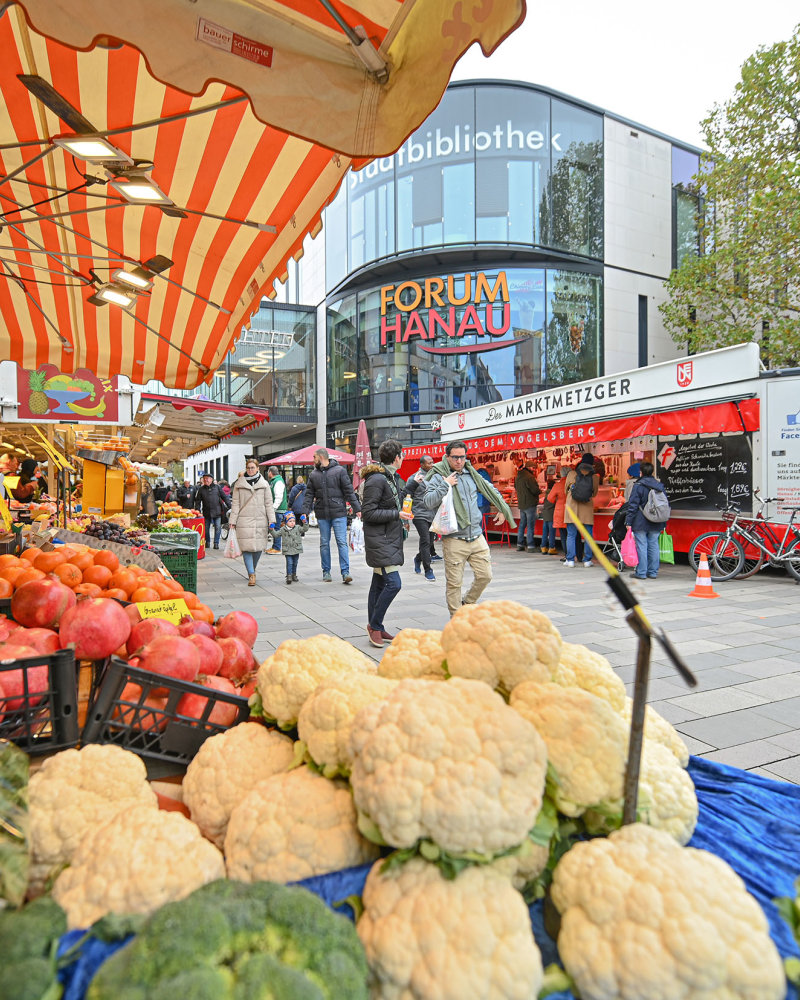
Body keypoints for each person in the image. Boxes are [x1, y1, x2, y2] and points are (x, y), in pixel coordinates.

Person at [423, 440, 515, 617]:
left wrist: (502, 508)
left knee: (485, 576)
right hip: (455, 538)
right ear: (447, 456)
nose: (459, 461)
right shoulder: (438, 475)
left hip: (476, 536)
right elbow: (428, 502)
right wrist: (446, 484)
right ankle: (456, 620)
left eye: (462, 457)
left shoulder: (471, 473)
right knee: (454, 584)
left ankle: (467, 603)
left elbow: (490, 490)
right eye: (455, 457)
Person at [360, 440, 413, 648]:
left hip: (387, 537)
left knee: (379, 582)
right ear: (397, 457)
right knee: (394, 583)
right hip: (380, 539)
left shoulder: (390, 477)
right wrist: (396, 514)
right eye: (402, 455)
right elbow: (368, 513)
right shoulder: (378, 479)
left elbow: (394, 501)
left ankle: (378, 626)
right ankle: (374, 625)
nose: (403, 458)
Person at [302, 448, 361, 584]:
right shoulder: (314, 474)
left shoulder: (340, 471)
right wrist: (304, 511)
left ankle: (345, 572)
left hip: (338, 512)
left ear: (321, 457)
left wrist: (357, 508)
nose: (313, 459)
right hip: (322, 513)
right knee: (324, 543)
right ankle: (326, 571)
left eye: (314, 457)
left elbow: (348, 491)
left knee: (341, 542)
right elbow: (309, 494)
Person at [228, 459, 276, 586]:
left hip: (260, 520)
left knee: (259, 548)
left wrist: (272, 520)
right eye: (248, 468)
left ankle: (252, 568)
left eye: (252, 468)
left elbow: (268, 504)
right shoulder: (239, 484)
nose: (250, 470)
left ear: (257, 469)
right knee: (247, 548)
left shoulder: (264, 484)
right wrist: (232, 521)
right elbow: (236, 504)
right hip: (244, 520)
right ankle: (251, 574)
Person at [625, 461, 668, 580]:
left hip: (640, 521)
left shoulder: (638, 485)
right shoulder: (659, 485)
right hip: (656, 520)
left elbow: (632, 505)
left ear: (641, 472)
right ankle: (653, 572)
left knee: (642, 546)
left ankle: (641, 572)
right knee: (653, 545)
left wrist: (628, 522)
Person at [403, 454, 438, 581]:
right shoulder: (414, 478)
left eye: (432, 462)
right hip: (419, 514)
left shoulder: (435, 477)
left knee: (430, 541)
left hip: (432, 514)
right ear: (422, 465)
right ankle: (428, 570)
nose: (432, 464)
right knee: (425, 540)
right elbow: (407, 498)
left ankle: (418, 558)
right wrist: (405, 519)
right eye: (429, 463)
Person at [564, 452, 599, 568]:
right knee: (588, 535)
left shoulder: (572, 474)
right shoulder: (594, 477)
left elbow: (565, 490)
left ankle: (570, 560)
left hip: (572, 508)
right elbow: (594, 493)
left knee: (571, 535)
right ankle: (587, 560)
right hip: (587, 508)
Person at [195, 471, 230, 550]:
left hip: (217, 511)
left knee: (218, 527)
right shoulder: (201, 489)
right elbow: (197, 502)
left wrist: (230, 506)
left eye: (207, 479)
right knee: (206, 529)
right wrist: (197, 511)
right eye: (204, 479)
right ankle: (207, 542)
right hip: (206, 512)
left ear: (211, 479)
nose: (206, 480)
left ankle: (216, 543)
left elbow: (225, 497)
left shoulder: (217, 487)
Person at [514, 460, 540, 552]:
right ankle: (530, 546)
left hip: (522, 504)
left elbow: (516, 488)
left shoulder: (518, 476)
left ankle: (519, 544)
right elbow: (535, 490)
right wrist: (540, 491)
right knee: (530, 525)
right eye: (533, 468)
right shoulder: (529, 477)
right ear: (529, 467)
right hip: (530, 503)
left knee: (522, 525)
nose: (534, 470)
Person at [276, 510, 307, 585]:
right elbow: (276, 535)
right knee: (289, 562)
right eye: (290, 521)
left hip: (296, 549)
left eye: (294, 521)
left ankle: (294, 574)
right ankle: (289, 576)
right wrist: (271, 530)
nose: (292, 522)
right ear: (286, 522)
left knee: (295, 563)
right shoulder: (283, 529)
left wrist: (305, 522)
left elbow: (305, 529)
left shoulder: (298, 527)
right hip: (288, 549)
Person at [546, 467, 570, 556]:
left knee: (563, 536)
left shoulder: (558, 485)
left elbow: (549, 498)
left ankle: (567, 555)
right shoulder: (573, 484)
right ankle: (575, 554)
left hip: (560, 512)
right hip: (572, 512)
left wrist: (557, 499)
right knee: (572, 534)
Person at [265, 466, 288, 555]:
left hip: (278, 510)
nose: (267, 474)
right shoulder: (276, 481)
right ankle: (275, 546)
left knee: (276, 529)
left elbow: (278, 497)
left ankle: (277, 548)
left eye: (268, 472)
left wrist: (273, 509)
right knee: (274, 528)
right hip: (278, 509)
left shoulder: (277, 482)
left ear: (270, 472)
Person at [539, 479, 557, 554]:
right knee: (552, 532)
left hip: (545, 515)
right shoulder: (553, 494)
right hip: (551, 514)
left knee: (545, 532)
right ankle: (551, 548)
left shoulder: (546, 493)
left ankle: (543, 547)